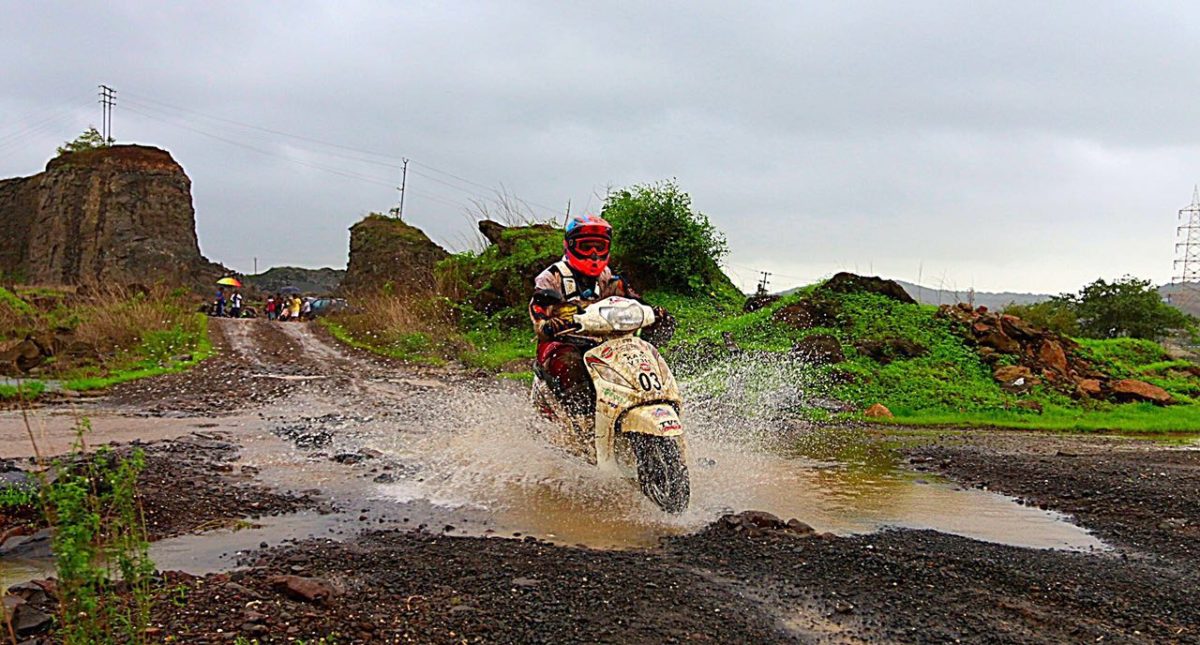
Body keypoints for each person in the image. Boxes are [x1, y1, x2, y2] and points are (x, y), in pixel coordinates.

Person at [528, 214, 668, 417]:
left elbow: (634, 301)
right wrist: (548, 324)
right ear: (570, 246)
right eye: (586, 247)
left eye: (599, 248)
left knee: (637, 361)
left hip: (603, 344)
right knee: (570, 363)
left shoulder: (608, 278)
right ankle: (582, 419)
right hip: (561, 343)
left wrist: (656, 315)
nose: (593, 255)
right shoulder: (551, 277)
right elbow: (538, 311)